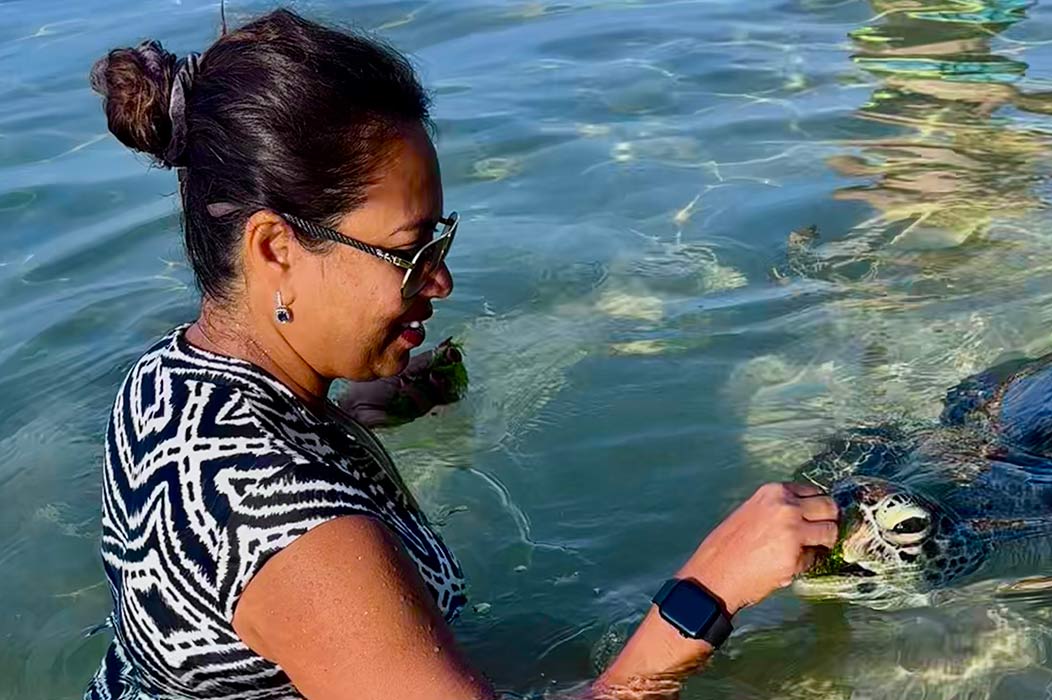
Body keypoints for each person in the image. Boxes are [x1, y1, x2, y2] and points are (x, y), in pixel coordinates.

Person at [85, 8, 839, 700]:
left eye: (440, 241)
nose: (440, 280)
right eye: (410, 252)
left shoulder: (167, 382)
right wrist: (707, 592)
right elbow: (282, 538)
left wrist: (348, 419)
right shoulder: (296, 535)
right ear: (276, 246)